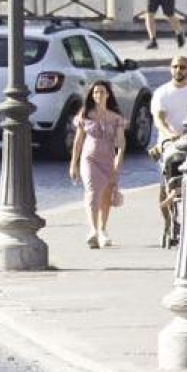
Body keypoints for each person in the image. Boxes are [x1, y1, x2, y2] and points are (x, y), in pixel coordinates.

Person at [69, 80, 126, 249]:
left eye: (101, 92)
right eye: (95, 93)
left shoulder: (116, 118)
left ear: (108, 94)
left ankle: (102, 230)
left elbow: (121, 144)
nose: (98, 95)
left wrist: (117, 166)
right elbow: (78, 142)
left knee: (106, 195)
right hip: (89, 159)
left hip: (107, 160)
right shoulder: (85, 115)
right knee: (92, 191)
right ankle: (93, 230)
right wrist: (74, 163)